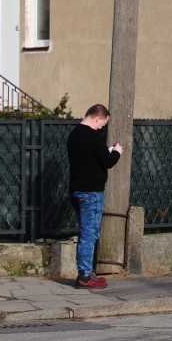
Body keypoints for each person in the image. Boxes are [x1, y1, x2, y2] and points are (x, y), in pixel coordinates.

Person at [67, 104, 124, 288]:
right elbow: (107, 162)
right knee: (89, 234)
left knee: (86, 232)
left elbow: (88, 160)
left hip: (76, 189)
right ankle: (84, 275)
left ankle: (86, 271)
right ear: (97, 118)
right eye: (103, 124)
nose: (102, 128)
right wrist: (117, 152)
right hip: (91, 191)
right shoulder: (93, 136)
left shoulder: (74, 134)